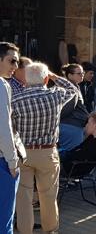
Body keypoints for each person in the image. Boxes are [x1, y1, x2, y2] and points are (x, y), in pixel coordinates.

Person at [12, 62, 77, 234]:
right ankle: (50, 231)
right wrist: (55, 76)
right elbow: (73, 89)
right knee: (48, 196)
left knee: (23, 197)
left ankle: (25, 230)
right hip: (47, 152)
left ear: (25, 79)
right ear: (46, 79)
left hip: (22, 152)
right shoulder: (56, 96)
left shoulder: (15, 99)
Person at [0, 42, 26, 234]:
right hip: (3, 161)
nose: (15, 66)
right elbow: (4, 126)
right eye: (12, 61)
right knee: (4, 221)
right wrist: (12, 160)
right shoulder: (2, 85)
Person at [60, 111, 96, 175]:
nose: (86, 126)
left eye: (88, 123)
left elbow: (80, 155)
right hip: (71, 162)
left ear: (95, 126)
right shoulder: (92, 137)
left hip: (74, 168)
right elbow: (79, 149)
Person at [58, 64, 90, 156]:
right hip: (71, 126)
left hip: (73, 126)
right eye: (79, 73)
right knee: (71, 156)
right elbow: (67, 109)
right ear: (69, 75)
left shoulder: (76, 86)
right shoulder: (69, 88)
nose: (82, 75)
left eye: (83, 73)